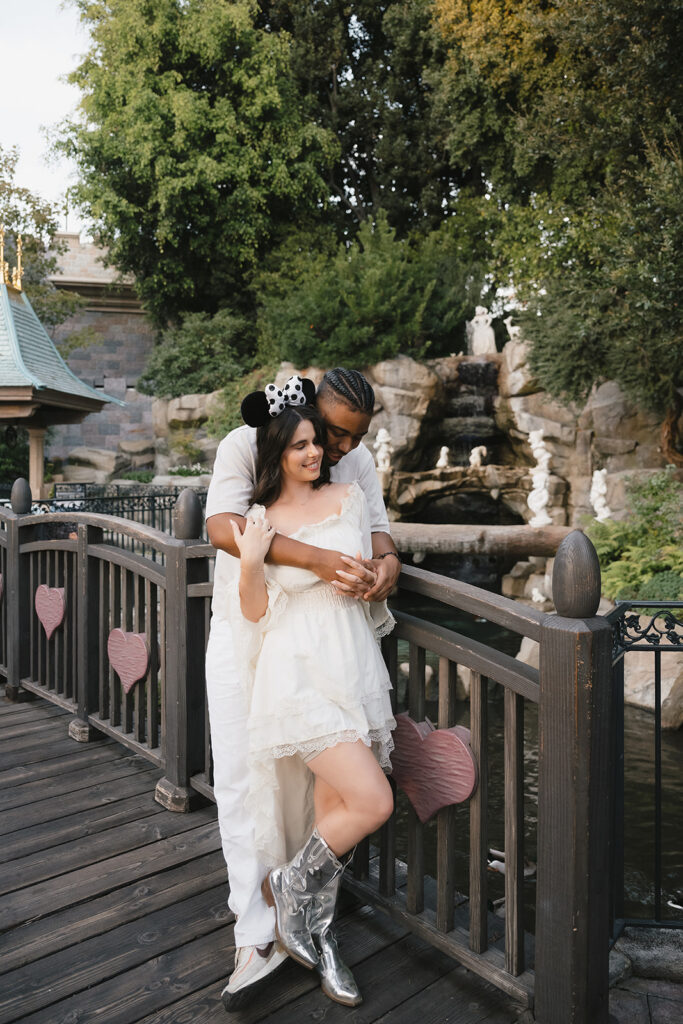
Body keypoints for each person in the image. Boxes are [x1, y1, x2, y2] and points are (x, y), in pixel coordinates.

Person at [204, 368, 401, 1008]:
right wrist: (315, 560)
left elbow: (379, 535)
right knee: (243, 777)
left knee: (329, 799)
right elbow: (220, 528)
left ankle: (315, 928)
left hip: (344, 657)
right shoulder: (244, 444)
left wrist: (386, 570)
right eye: (328, 436)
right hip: (254, 638)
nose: (337, 450)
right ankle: (257, 931)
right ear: (305, 416)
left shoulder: (354, 468)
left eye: (346, 440)